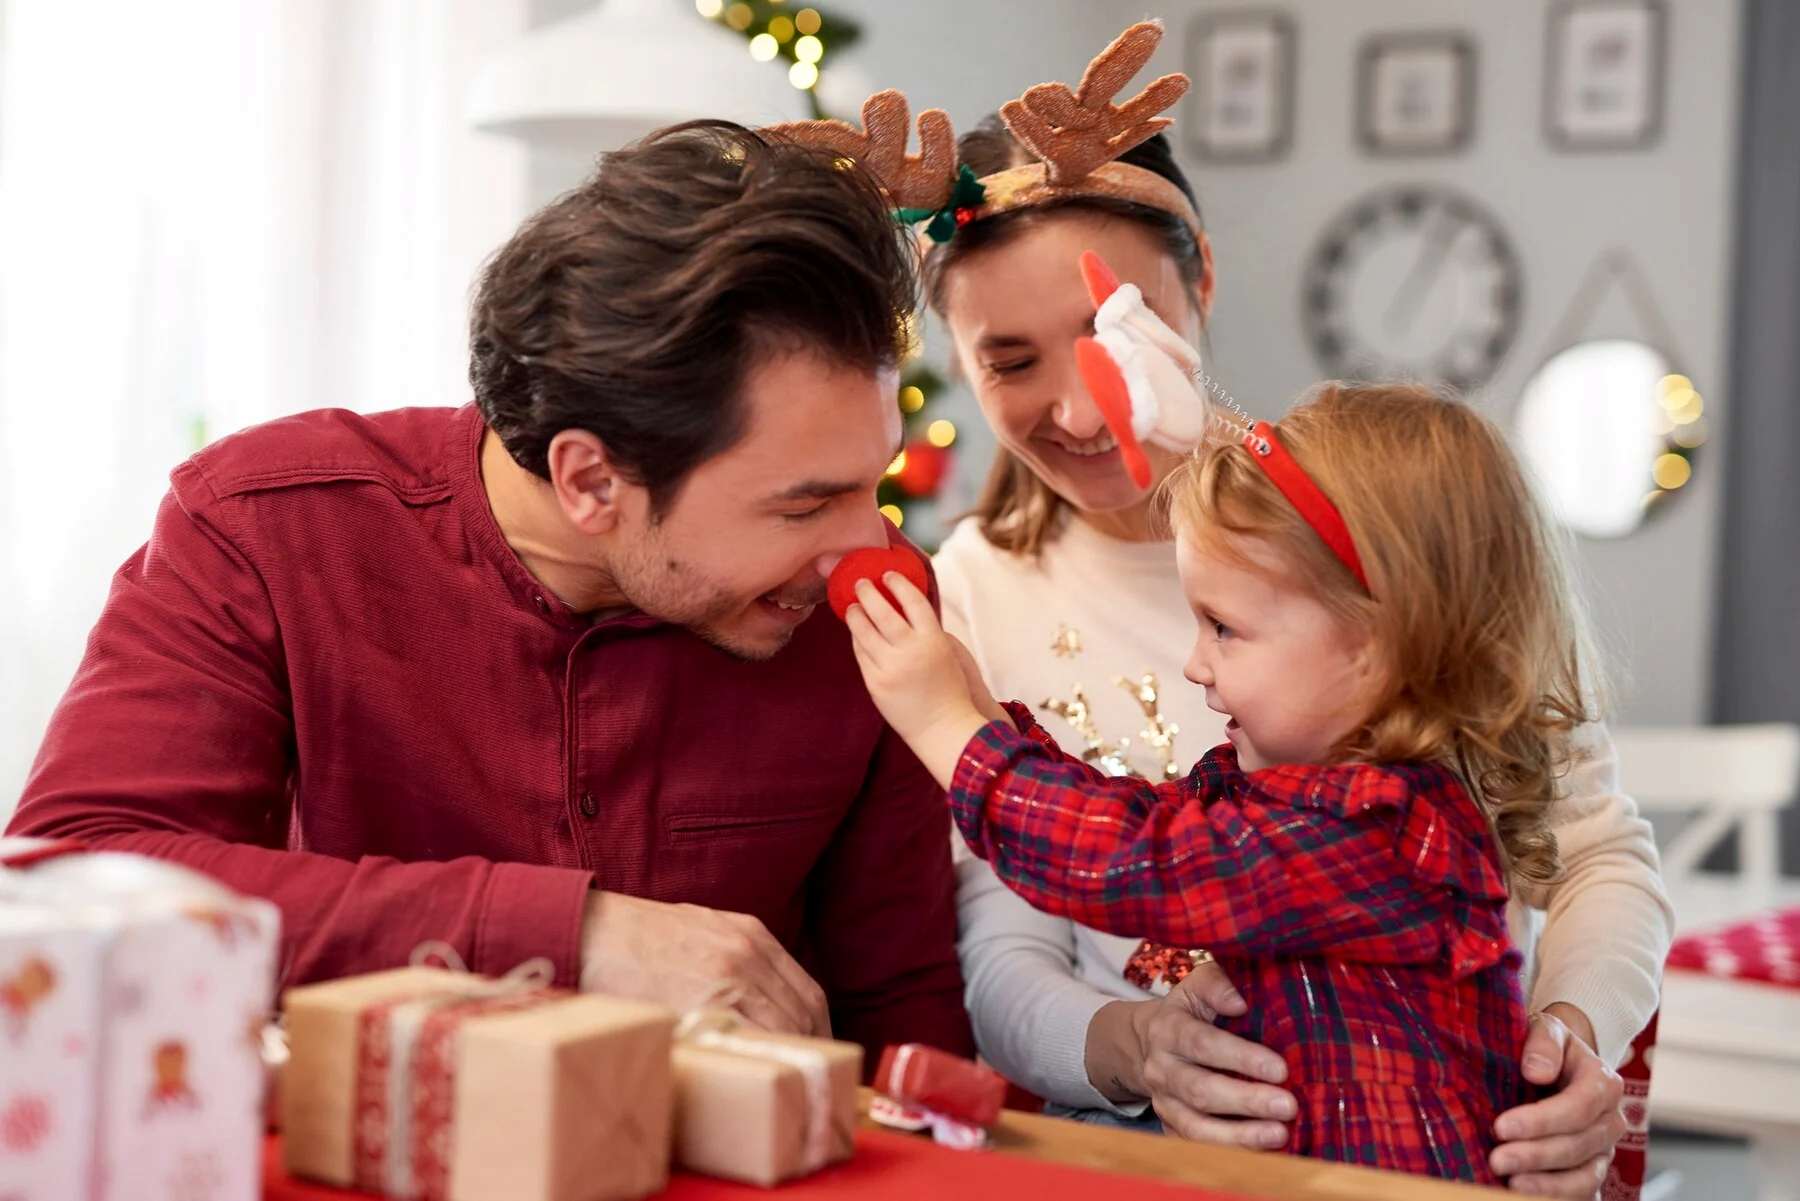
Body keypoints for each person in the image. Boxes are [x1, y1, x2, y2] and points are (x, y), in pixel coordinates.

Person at [6, 121, 975, 1063]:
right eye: (806, 505)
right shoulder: (263, 528)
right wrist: (573, 934)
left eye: (872, 482)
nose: (869, 548)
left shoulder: (866, 616)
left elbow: (905, 1019)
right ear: (592, 481)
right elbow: (77, 873)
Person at [906, 20, 1669, 1196]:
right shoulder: (966, 589)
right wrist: (1127, 1047)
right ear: (955, 359)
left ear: (1199, 278)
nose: (1079, 408)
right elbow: (1003, 936)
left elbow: (1595, 851)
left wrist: (1572, 1035)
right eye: (1008, 361)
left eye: (1113, 337)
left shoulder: (1385, 526)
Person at [847, 382, 1613, 1184]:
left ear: (1379, 644)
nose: (1194, 663)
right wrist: (993, 728)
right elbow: (1142, 815)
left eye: (1223, 628)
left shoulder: (1382, 825)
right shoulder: (1299, 792)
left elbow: (1137, 861)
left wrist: (944, 731)